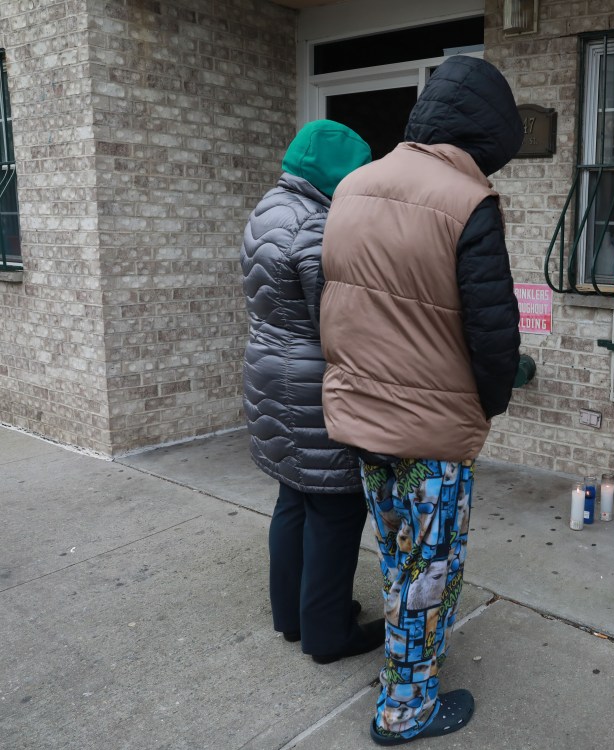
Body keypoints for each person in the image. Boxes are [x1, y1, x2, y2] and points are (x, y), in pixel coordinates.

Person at [318, 56, 523, 744]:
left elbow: (335, 304)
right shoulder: (466, 202)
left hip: (362, 414)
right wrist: (486, 407)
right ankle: (405, 710)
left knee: (398, 553)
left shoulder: (351, 187)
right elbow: (494, 332)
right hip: (432, 430)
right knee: (430, 569)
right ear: (486, 131)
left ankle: (404, 668)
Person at [240, 119, 385, 665]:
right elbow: (340, 323)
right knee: (336, 508)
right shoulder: (321, 227)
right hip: (312, 382)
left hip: (269, 372)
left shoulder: (267, 211)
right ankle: (328, 635)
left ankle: (292, 617)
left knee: (293, 497)